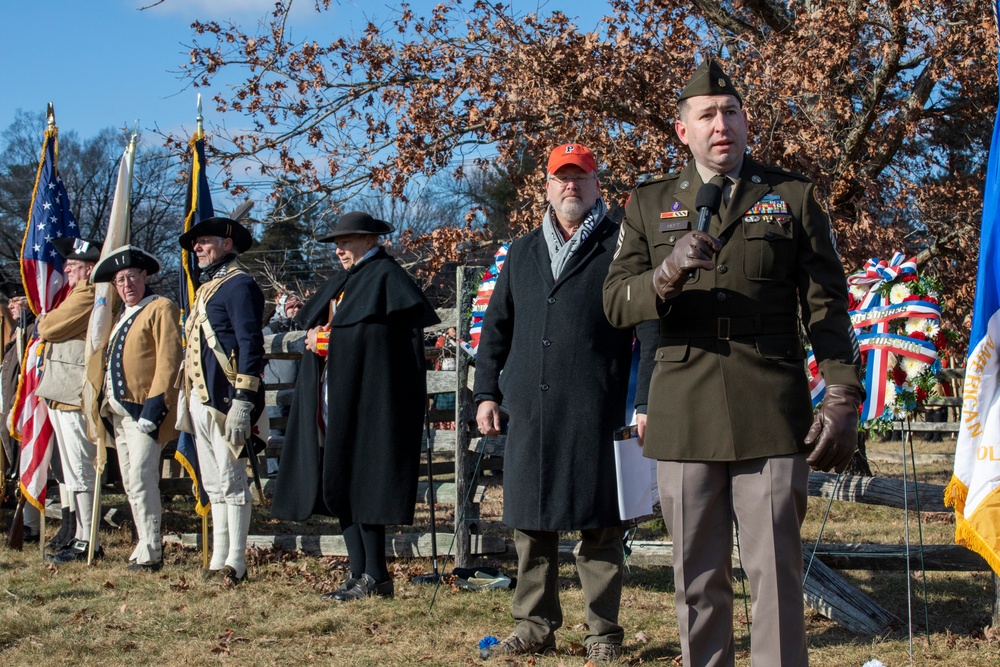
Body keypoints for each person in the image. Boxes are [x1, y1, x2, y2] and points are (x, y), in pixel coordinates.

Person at [603, 58, 864, 667]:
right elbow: (615, 302)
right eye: (707, 115)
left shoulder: (791, 196)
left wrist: (843, 395)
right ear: (682, 130)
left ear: (746, 122)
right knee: (698, 578)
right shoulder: (649, 204)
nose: (721, 124)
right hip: (684, 411)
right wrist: (665, 274)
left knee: (775, 571)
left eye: (731, 112)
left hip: (769, 408)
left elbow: (827, 306)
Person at [473, 144, 636, 666]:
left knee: (601, 526)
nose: (571, 186)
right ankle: (533, 625)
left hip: (598, 405)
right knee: (530, 526)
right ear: (545, 186)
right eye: (561, 178)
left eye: (581, 177)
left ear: (597, 185)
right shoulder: (521, 252)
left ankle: (603, 634)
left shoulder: (624, 245)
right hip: (528, 409)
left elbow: (648, 329)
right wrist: (485, 392)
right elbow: (495, 330)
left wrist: (646, 398)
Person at [271, 211, 440, 602]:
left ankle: (376, 575)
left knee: (365, 484)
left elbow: (381, 343)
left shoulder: (386, 277)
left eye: (346, 242)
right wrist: (315, 339)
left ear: (370, 240)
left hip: (371, 403)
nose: (339, 250)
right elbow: (325, 330)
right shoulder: (345, 283)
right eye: (336, 243)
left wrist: (329, 343)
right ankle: (357, 571)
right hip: (335, 396)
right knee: (340, 477)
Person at [178, 217, 265, 586]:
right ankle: (217, 558)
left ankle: (237, 561)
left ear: (227, 245)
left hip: (227, 400)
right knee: (213, 485)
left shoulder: (240, 285)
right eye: (194, 244)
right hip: (200, 398)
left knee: (231, 483)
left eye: (204, 242)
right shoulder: (207, 289)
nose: (196, 248)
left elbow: (250, 344)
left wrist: (244, 400)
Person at [91, 246, 183, 572]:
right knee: (131, 483)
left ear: (144, 276)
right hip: (117, 412)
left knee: (143, 481)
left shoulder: (161, 307)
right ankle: (144, 543)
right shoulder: (119, 317)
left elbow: (170, 359)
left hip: (143, 410)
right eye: (119, 280)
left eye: (132, 276)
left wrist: (154, 407)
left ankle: (153, 552)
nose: (126, 284)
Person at [37, 237, 104, 563]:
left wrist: (43, 322)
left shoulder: (88, 294)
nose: (66, 270)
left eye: (73, 266)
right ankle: (79, 535)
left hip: (75, 391)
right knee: (73, 472)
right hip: (62, 391)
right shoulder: (77, 293)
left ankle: (88, 539)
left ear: (89, 269)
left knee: (81, 468)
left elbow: (49, 327)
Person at [261, 291, 303, 477]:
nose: (295, 310)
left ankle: (296, 474)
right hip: (275, 393)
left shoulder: (308, 327)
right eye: (291, 307)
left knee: (299, 434)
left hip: (300, 391)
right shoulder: (272, 329)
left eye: (299, 306)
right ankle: (274, 474)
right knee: (275, 433)